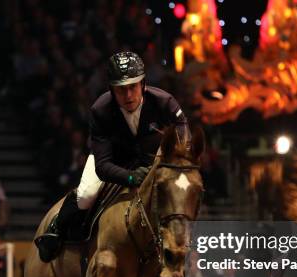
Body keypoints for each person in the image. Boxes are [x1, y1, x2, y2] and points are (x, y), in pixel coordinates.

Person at [36, 51, 189, 262]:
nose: (128, 96)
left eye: (132, 87)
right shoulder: (101, 110)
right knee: (86, 195)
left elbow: (183, 131)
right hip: (113, 161)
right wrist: (130, 177)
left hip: (150, 160)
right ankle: (57, 230)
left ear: (143, 84)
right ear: (111, 89)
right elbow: (103, 165)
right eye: (121, 90)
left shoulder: (165, 102)